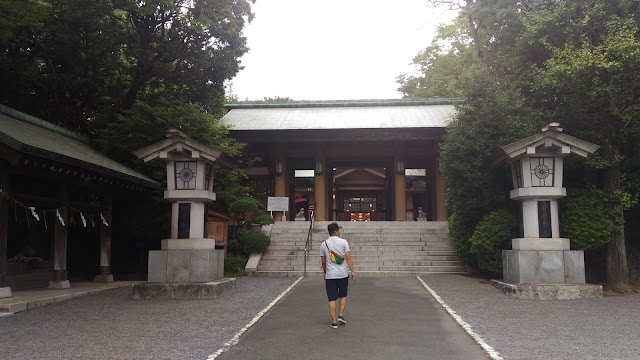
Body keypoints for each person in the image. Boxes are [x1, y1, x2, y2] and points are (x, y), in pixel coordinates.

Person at [320, 222, 356, 329]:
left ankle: (334, 322)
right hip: (343, 274)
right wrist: (352, 271)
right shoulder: (343, 242)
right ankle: (341, 315)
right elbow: (348, 257)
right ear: (335, 231)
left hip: (330, 275)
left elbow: (323, 261)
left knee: (332, 298)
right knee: (343, 295)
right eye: (338, 230)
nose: (339, 232)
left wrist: (325, 272)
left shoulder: (324, 244)